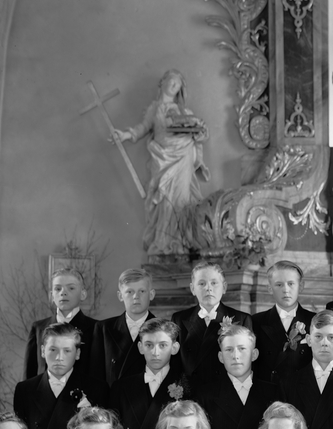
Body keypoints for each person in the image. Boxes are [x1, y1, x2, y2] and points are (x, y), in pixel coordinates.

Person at [112, 68, 209, 255]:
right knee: (165, 200)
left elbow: (198, 134)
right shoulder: (155, 109)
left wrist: (201, 131)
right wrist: (125, 135)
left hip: (183, 156)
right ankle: (165, 242)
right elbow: (143, 128)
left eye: (177, 84)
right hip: (163, 158)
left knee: (181, 199)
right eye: (171, 80)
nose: (174, 85)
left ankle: (181, 242)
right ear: (162, 82)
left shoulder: (185, 112)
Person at [14, 323, 108, 429]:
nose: (59, 357)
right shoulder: (24, 390)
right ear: (42, 351)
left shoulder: (97, 389)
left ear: (77, 353)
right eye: (53, 350)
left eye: (67, 351)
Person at [196, 323, 279, 429]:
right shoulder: (205, 395)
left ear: (254, 354)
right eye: (229, 350)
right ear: (221, 357)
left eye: (242, 349)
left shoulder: (274, 393)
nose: (235, 356)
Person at [110, 318, 189, 429]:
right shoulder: (121, 387)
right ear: (140, 347)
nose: (155, 352)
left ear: (174, 348)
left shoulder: (188, 387)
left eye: (162, 345)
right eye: (149, 345)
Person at [171, 262, 252, 383]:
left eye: (214, 283)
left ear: (224, 287)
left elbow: (247, 364)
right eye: (202, 283)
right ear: (192, 289)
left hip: (225, 389)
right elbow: (174, 362)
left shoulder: (242, 319)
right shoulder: (179, 319)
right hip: (191, 390)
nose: (208, 288)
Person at [90, 267, 157, 389]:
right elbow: (96, 376)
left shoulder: (164, 329)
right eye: (129, 292)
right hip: (114, 399)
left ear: (151, 294)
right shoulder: (104, 329)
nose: (136, 296)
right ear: (120, 296)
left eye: (142, 291)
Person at [24, 269, 97, 379]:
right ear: (52, 296)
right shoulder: (38, 328)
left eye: (71, 288)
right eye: (58, 289)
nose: (63, 292)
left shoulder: (97, 328)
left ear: (83, 294)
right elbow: (30, 373)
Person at [252, 260, 316, 383]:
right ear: (270, 288)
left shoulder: (314, 321)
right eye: (279, 285)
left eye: (291, 284)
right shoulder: (256, 321)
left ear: (301, 286)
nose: (285, 290)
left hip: (301, 389)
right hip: (268, 390)